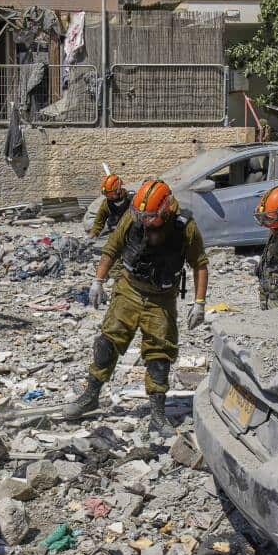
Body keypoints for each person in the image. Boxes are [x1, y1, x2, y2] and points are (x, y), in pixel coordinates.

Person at [64, 179, 209, 435]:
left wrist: (199, 303)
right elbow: (111, 249)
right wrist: (98, 281)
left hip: (161, 297)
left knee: (159, 353)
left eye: (150, 216)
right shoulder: (133, 219)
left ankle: (157, 414)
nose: (144, 220)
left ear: (164, 210)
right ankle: (90, 396)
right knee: (107, 342)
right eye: (141, 214)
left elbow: (199, 264)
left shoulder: (185, 228)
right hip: (129, 288)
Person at [88, 172, 132, 238]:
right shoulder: (106, 204)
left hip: (130, 232)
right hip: (113, 232)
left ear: (118, 190)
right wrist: (92, 234)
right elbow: (98, 223)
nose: (108, 197)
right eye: (106, 195)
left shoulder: (131, 199)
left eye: (110, 194)